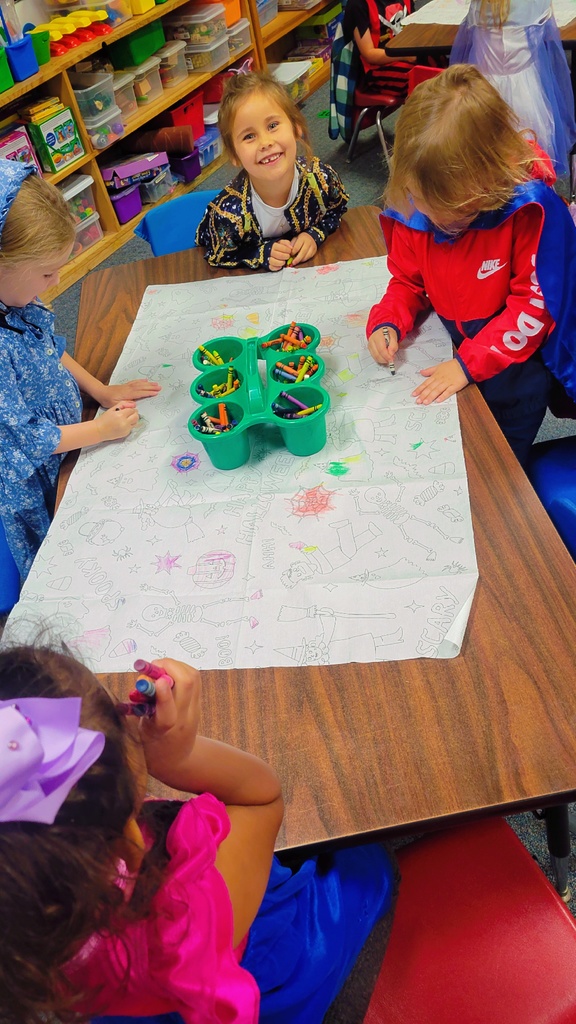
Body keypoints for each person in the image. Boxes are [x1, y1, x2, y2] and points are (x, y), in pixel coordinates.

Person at [0, 644, 398, 1024]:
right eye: (115, 720)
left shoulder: (22, 937)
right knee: (366, 861)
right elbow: (262, 800)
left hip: (116, 992)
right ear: (124, 837)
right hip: (253, 956)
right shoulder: (191, 911)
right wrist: (180, 758)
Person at [366, 64, 576, 468]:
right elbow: (408, 282)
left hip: (517, 374)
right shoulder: (419, 207)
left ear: (490, 181)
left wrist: (467, 365)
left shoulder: (528, 213)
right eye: (426, 208)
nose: (439, 224)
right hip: (459, 354)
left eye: (456, 215)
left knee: (497, 468)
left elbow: (533, 309)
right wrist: (388, 321)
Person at [0, 160, 161, 583]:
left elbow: (50, 348)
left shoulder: (14, 300)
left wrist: (102, 391)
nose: (55, 284)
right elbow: (27, 440)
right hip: (37, 479)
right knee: (74, 565)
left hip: (69, 442)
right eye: (47, 272)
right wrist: (101, 431)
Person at [196, 71, 349, 271]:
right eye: (249, 136)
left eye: (273, 125)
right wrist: (260, 254)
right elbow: (219, 254)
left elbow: (337, 210)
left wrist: (315, 234)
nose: (265, 143)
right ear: (234, 155)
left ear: (295, 128)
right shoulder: (228, 214)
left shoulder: (321, 178)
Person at [450, 0, 576, 176]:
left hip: (483, 90)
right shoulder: (536, 4)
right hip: (526, 92)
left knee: (486, 157)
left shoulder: (478, 5)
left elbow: (465, 46)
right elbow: (548, 46)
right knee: (529, 159)